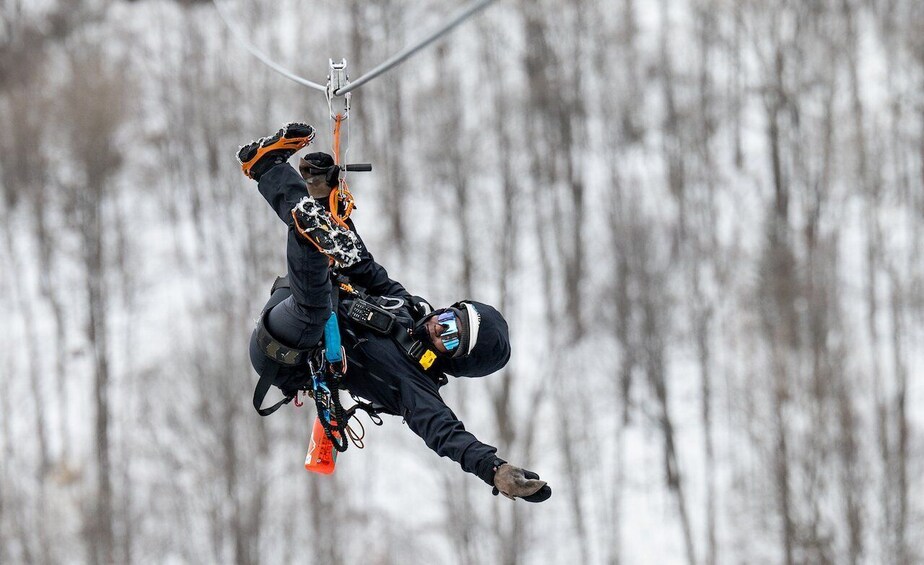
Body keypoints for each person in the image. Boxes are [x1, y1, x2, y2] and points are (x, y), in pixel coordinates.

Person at [237, 122, 551, 503]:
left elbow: (446, 433)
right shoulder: (406, 307)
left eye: (450, 339)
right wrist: (328, 194)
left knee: (316, 304)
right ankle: (311, 206)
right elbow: (364, 269)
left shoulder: (415, 386)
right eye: (450, 318)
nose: (439, 327)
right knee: (343, 257)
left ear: (454, 361)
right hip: (293, 303)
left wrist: (494, 469)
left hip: (289, 350)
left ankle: (274, 177)